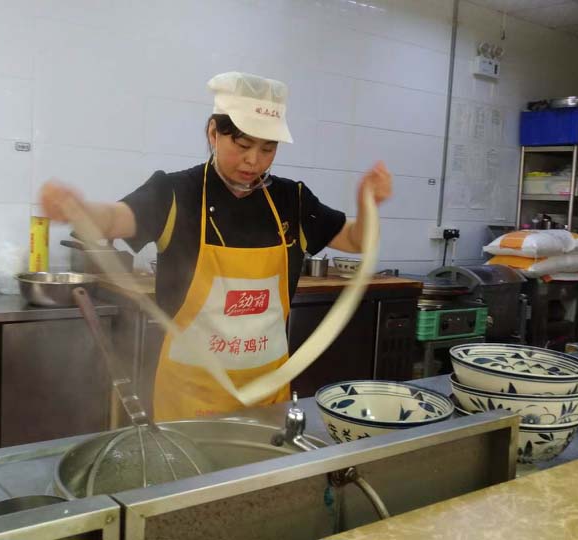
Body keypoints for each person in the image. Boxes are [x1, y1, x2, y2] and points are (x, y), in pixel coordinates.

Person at [40, 71, 392, 421]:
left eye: (267, 149)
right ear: (213, 132)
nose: (254, 161)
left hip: (266, 394)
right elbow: (118, 217)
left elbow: (357, 239)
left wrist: (367, 204)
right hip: (189, 396)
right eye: (242, 146)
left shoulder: (292, 200)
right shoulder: (176, 193)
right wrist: (79, 209)